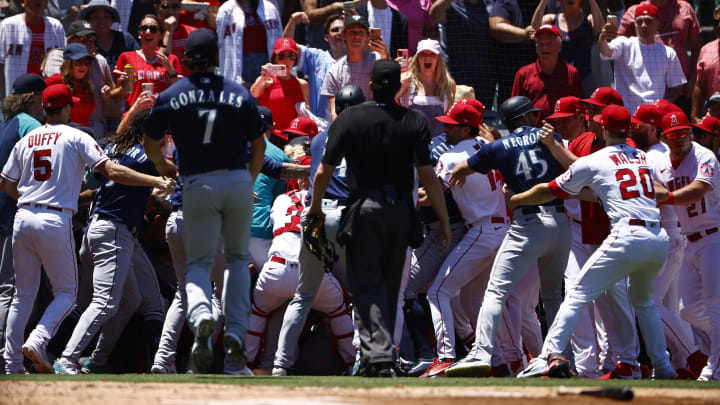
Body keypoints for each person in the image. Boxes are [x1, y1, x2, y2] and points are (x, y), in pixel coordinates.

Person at [1, 83, 174, 374]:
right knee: (68, 293)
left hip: (23, 217)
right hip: (55, 218)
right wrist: (155, 181)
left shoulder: (27, 139)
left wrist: (30, 199)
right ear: (68, 107)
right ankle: (41, 340)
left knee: (23, 295)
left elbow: (5, 183)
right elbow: (111, 171)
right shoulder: (75, 135)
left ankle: (11, 363)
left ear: (44, 107)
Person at [511, 105, 676, 380]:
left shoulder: (596, 159)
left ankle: (548, 355)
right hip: (658, 239)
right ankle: (663, 366)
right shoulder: (643, 157)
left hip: (628, 236)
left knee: (576, 293)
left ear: (601, 127)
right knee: (644, 303)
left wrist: (517, 199)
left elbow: (549, 190)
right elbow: (607, 194)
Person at [308, 59, 451, 377]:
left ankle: (378, 357)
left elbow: (322, 172)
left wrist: (315, 209)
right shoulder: (414, 121)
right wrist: (442, 218)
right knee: (390, 288)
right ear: (397, 87)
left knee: (365, 286)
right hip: (401, 213)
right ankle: (383, 356)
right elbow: (428, 177)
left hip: (365, 210)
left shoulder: (349, 118)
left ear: (371, 85)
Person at [143, 28, 267, 374]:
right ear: (216, 58)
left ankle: (201, 317)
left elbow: (150, 141)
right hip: (236, 180)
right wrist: (249, 180)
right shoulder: (238, 93)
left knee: (197, 266)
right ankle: (236, 349)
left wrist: (162, 165)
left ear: (184, 60)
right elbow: (259, 145)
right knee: (238, 262)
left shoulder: (173, 93)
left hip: (196, 184)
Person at [442, 95, 570, 378]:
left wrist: (461, 174)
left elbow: (462, 168)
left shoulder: (498, 146)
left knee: (496, 291)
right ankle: (556, 356)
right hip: (561, 224)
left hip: (528, 225)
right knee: (552, 297)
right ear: (525, 118)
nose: (537, 118)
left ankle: (482, 352)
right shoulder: (549, 137)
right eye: (532, 115)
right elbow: (575, 166)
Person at [53, 108, 165, 375]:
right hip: (113, 230)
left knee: (130, 300)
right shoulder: (147, 154)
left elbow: (93, 182)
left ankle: (97, 360)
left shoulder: (115, 149)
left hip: (99, 228)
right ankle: (66, 359)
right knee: (104, 302)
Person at [272, 84, 365, 377]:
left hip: (314, 217)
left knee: (303, 296)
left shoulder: (319, 139)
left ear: (338, 108)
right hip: (345, 216)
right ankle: (362, 361)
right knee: (362, 294)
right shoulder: (367, 138)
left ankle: (279, 365)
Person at [420, 103, 510, 378]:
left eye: (451, 125)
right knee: (473, 300)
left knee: (438, 292)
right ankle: (496, 360)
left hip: (483, 229)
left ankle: (445, 356)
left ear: (466, 128)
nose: (445, 128)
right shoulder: (489, 143)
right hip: (502, 227)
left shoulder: (451, 157)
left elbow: (427, 198)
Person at [653, 110, 720, 381]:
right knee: (687, 309)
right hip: (688, 241)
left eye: (682, 132)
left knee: (715, 307)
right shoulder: (659, 164)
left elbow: (698, 189)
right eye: (672, 134)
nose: (678, 138)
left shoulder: (705, 156)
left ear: (690, 133)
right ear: (663, 138)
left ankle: (712, 371)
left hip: (714, 236)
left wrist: (666, 196)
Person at [0, 74, 45, 372]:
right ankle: (4, 354)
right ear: (32, 98)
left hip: (4, 211)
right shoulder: (29, 123)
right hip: (10, 215)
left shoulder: (4, 122)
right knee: (9, 289)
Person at [598, 4, 686, 113]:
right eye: (639, 22)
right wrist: (603, 38)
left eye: (648, 21)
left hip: (654, 117)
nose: (643, 25)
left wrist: (662, 107)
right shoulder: (624, 44)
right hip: (627, 116)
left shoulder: (668, 53)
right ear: (634, 24)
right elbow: (606, 51)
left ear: (658, 24)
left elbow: (675, 87)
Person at [619, 0, 703, 113]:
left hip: (680, 91)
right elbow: (618, 45)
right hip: (644, 95)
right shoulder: (635, 11)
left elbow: (697, 46)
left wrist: (693, 79)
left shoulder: (685, 8)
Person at [42, 19, 117, 139]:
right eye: (84, 38)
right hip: (63, 133)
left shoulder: (96, 66)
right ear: (70, 39)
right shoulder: (57, 57)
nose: (89, 42)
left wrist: (118, 90)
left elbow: (112, 103)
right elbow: (53, 91)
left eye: (92, 38)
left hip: (90, 133)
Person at [321, 15, 388, 121]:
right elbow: (334, 113)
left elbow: (391, 89)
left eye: (361, 32)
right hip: (347, 126)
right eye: (352, 32)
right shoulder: (333, 72)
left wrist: (385, 56)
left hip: (376, 123)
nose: (356, 36)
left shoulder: (378, 60)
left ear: (367, 36)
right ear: (344, 36)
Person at [511, 24, 583, 124]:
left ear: (559, 47)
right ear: (536, 47)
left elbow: (579, 110)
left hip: (564, 134)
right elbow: (515, 111)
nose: (544, 47)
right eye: (540, 43)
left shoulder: (571, 73)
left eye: (549, 43)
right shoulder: (523, 74)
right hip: (532, 135)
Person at [429, 0, 493, 107]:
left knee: (483, 114)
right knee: (456, 113)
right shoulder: (451, 5)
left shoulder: (490, 4)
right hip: (457, 74)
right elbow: (435, 14)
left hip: (485, 75)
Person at [531, 0, 603, 95]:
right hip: (559, 81)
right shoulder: (552, 19)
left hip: (584, 80)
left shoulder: (588, 19)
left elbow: (599, 28)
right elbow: (535, 27)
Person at [282, 12, 343, 121]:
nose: (339, 33)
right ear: (326, 37)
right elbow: (286, 48)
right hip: (320, 125)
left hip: (346, 124)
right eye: (335, 30)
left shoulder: (355, 59)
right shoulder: (316, 57)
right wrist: (292, 21)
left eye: (343, 30)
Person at [114, 14, 182, 109]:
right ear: (139, 33)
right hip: (134, 116)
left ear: (161, 35)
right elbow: (115, 97)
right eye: (144, 28)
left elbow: (180, 93)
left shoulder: (171, 60)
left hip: (161, 116)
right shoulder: (126, 57)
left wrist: (171, 71)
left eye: (153, 29)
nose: (148, 32)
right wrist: (122, 87)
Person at [0, 0, 65, 98]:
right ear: (23, 2)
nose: (37, 1)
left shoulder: (56, 26)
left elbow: (64, 65)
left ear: (46, 3)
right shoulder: (8, 25)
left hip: (47, 95)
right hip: (16, 96)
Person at [397, 38, 455, 137]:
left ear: (438, 59)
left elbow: (448, 120)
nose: (427, 58)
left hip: (438, 146)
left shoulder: (449, 85)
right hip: (412, 143)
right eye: (423, 54)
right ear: (417, 58)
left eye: (432, 54)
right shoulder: (407, 81)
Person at [216, 0, 282, 85]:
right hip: (239, 73)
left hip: (267, 72)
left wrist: (277, 76)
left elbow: (279, 44)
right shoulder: (226, 9)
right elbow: (222, 48)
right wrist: (235, 79)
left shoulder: (271, 9)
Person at [250, 38, 310, 132]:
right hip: (272, 136)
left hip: (292, 137)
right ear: (275, 59)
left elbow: (306, 113)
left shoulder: (302, 84)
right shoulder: (267, 80)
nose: (286, 60)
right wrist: (262, 79)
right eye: (281, 56)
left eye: (291, 56)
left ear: (295, 60)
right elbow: (254, 93)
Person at [44, 43, 95, 127]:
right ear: (68, 64)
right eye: (78, 62)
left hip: (84, 135)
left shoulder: (87, 85)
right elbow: (35, 92)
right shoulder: (57, 80)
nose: (83, 66)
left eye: (87, 62)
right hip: (64, 135)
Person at [80, 0, 139, 72]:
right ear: (88, 21)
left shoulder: (126, 40)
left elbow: (139, 64)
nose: (101, 22)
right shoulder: (84, 43)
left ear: (112, 19)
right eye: (96, 17)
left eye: (106, 17)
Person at [691, 5, 720, 123]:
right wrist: (694, 116)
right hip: (714, 119)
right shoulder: (706, 49)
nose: (719, 25)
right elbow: (700, 86)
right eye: (716, 21)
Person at [155, 0, 197, 76]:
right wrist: (169, 32)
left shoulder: (193, 33)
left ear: (180, 8)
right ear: (156, 8)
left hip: (188, 83)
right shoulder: (151, 34)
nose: (170, 12)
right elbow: (159, 62)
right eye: (165, 6)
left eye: (175, 7)